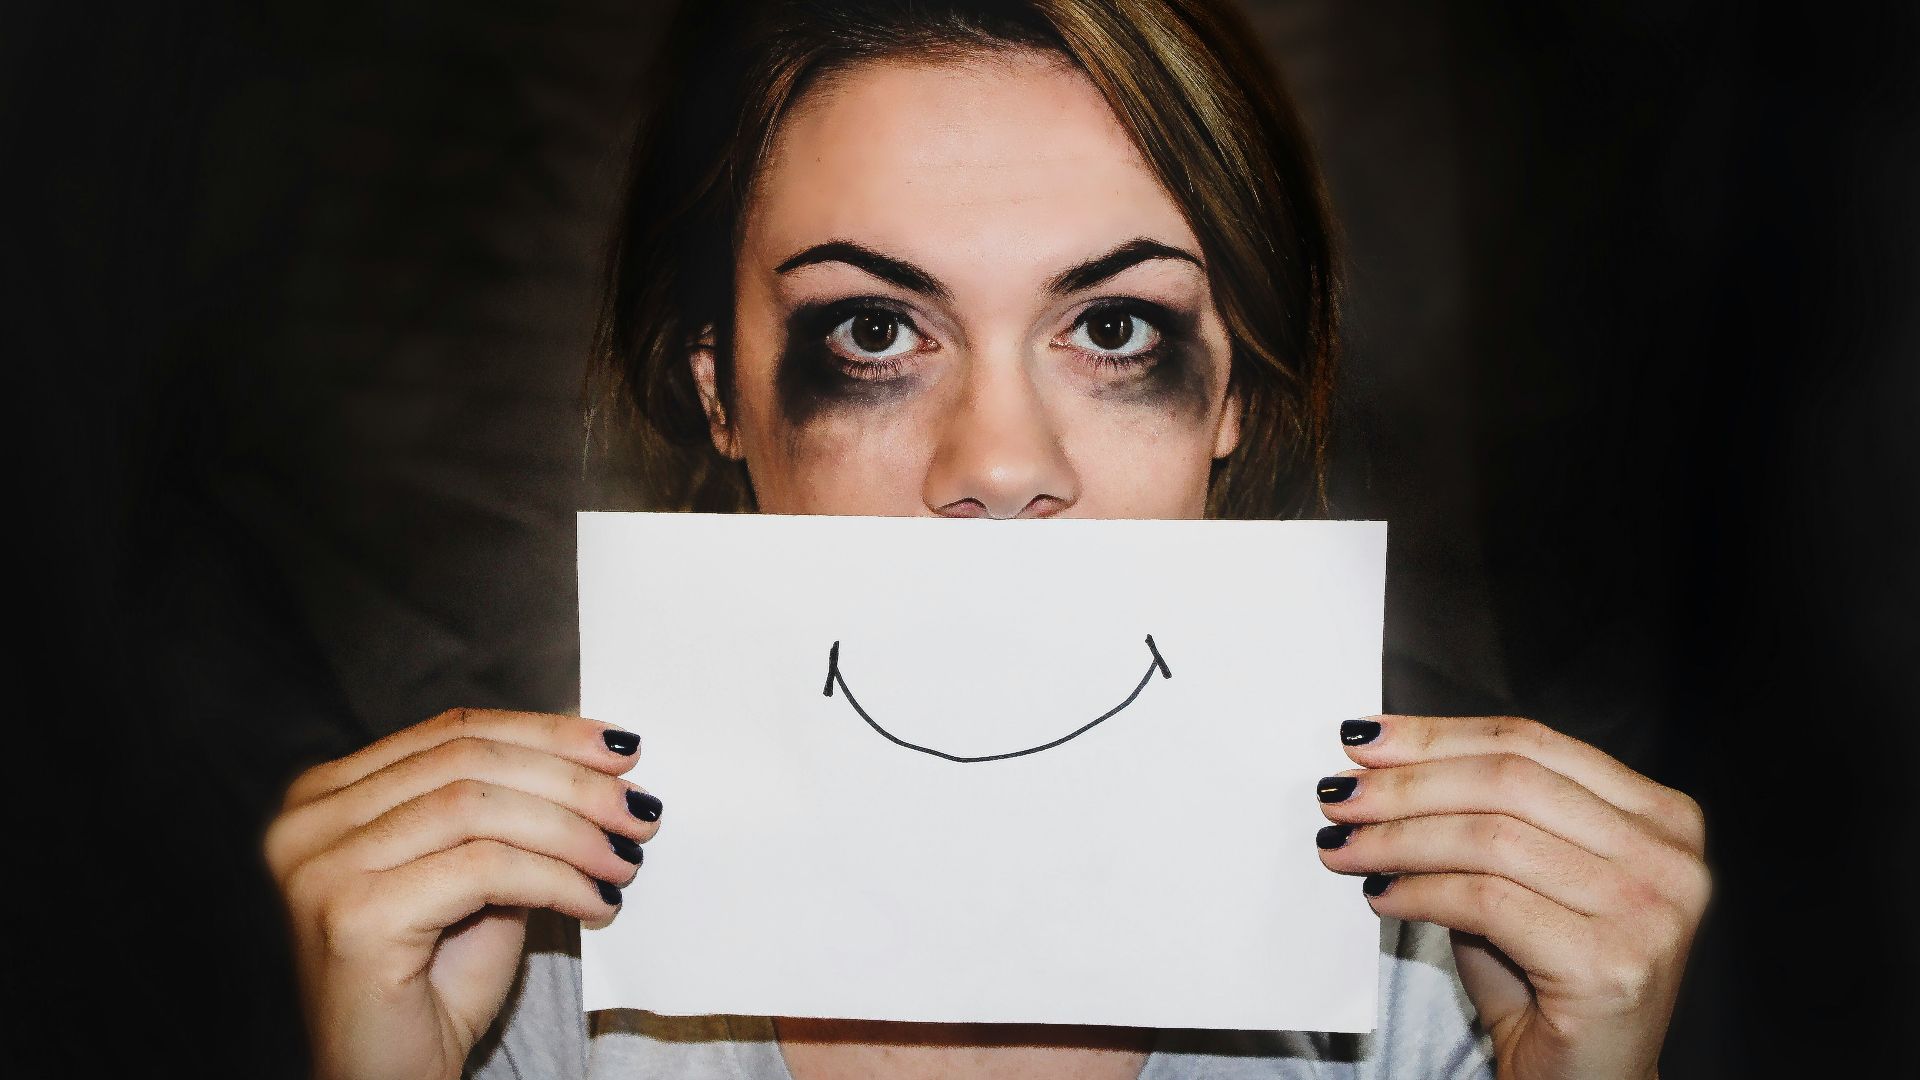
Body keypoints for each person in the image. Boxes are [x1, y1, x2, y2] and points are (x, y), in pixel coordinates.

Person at [263, 2, 1710, 1078]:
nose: (1003, 465)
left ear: (1235, 397)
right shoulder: (509, 983)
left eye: (1115, 328)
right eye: (874, 331)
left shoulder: (1453, 984)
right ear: (720, 392)